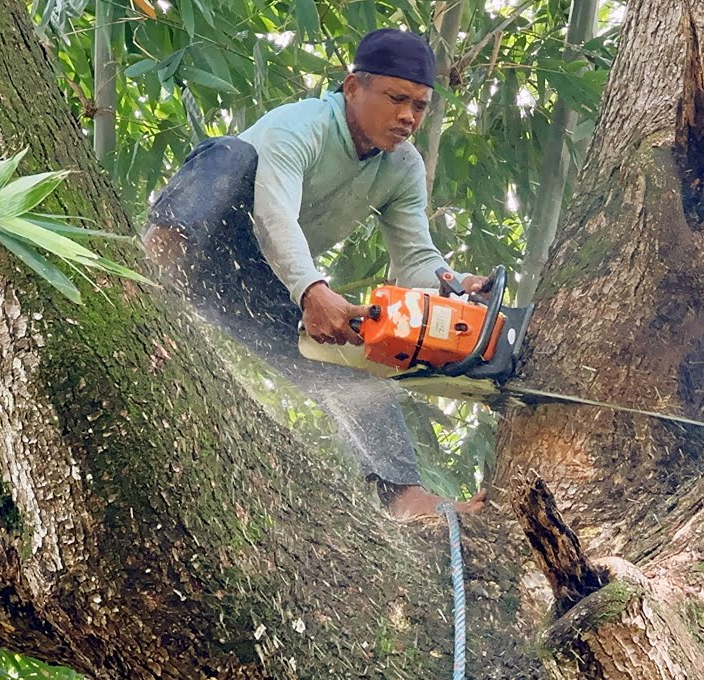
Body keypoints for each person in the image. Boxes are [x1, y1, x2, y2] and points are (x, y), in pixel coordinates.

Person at [143, 29, 487, 519]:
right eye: (396, 99)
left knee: (358, 368)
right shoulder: (299, 126)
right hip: (207, 248)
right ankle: (146, 273)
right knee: (227, 154)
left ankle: (404, 499)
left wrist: (454, 287)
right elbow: (273, 215)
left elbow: (414, 258)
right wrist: (311, 290)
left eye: (420, 106)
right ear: (352, 87)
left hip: (265, 288)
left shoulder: (403, 168)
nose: (409, 117)